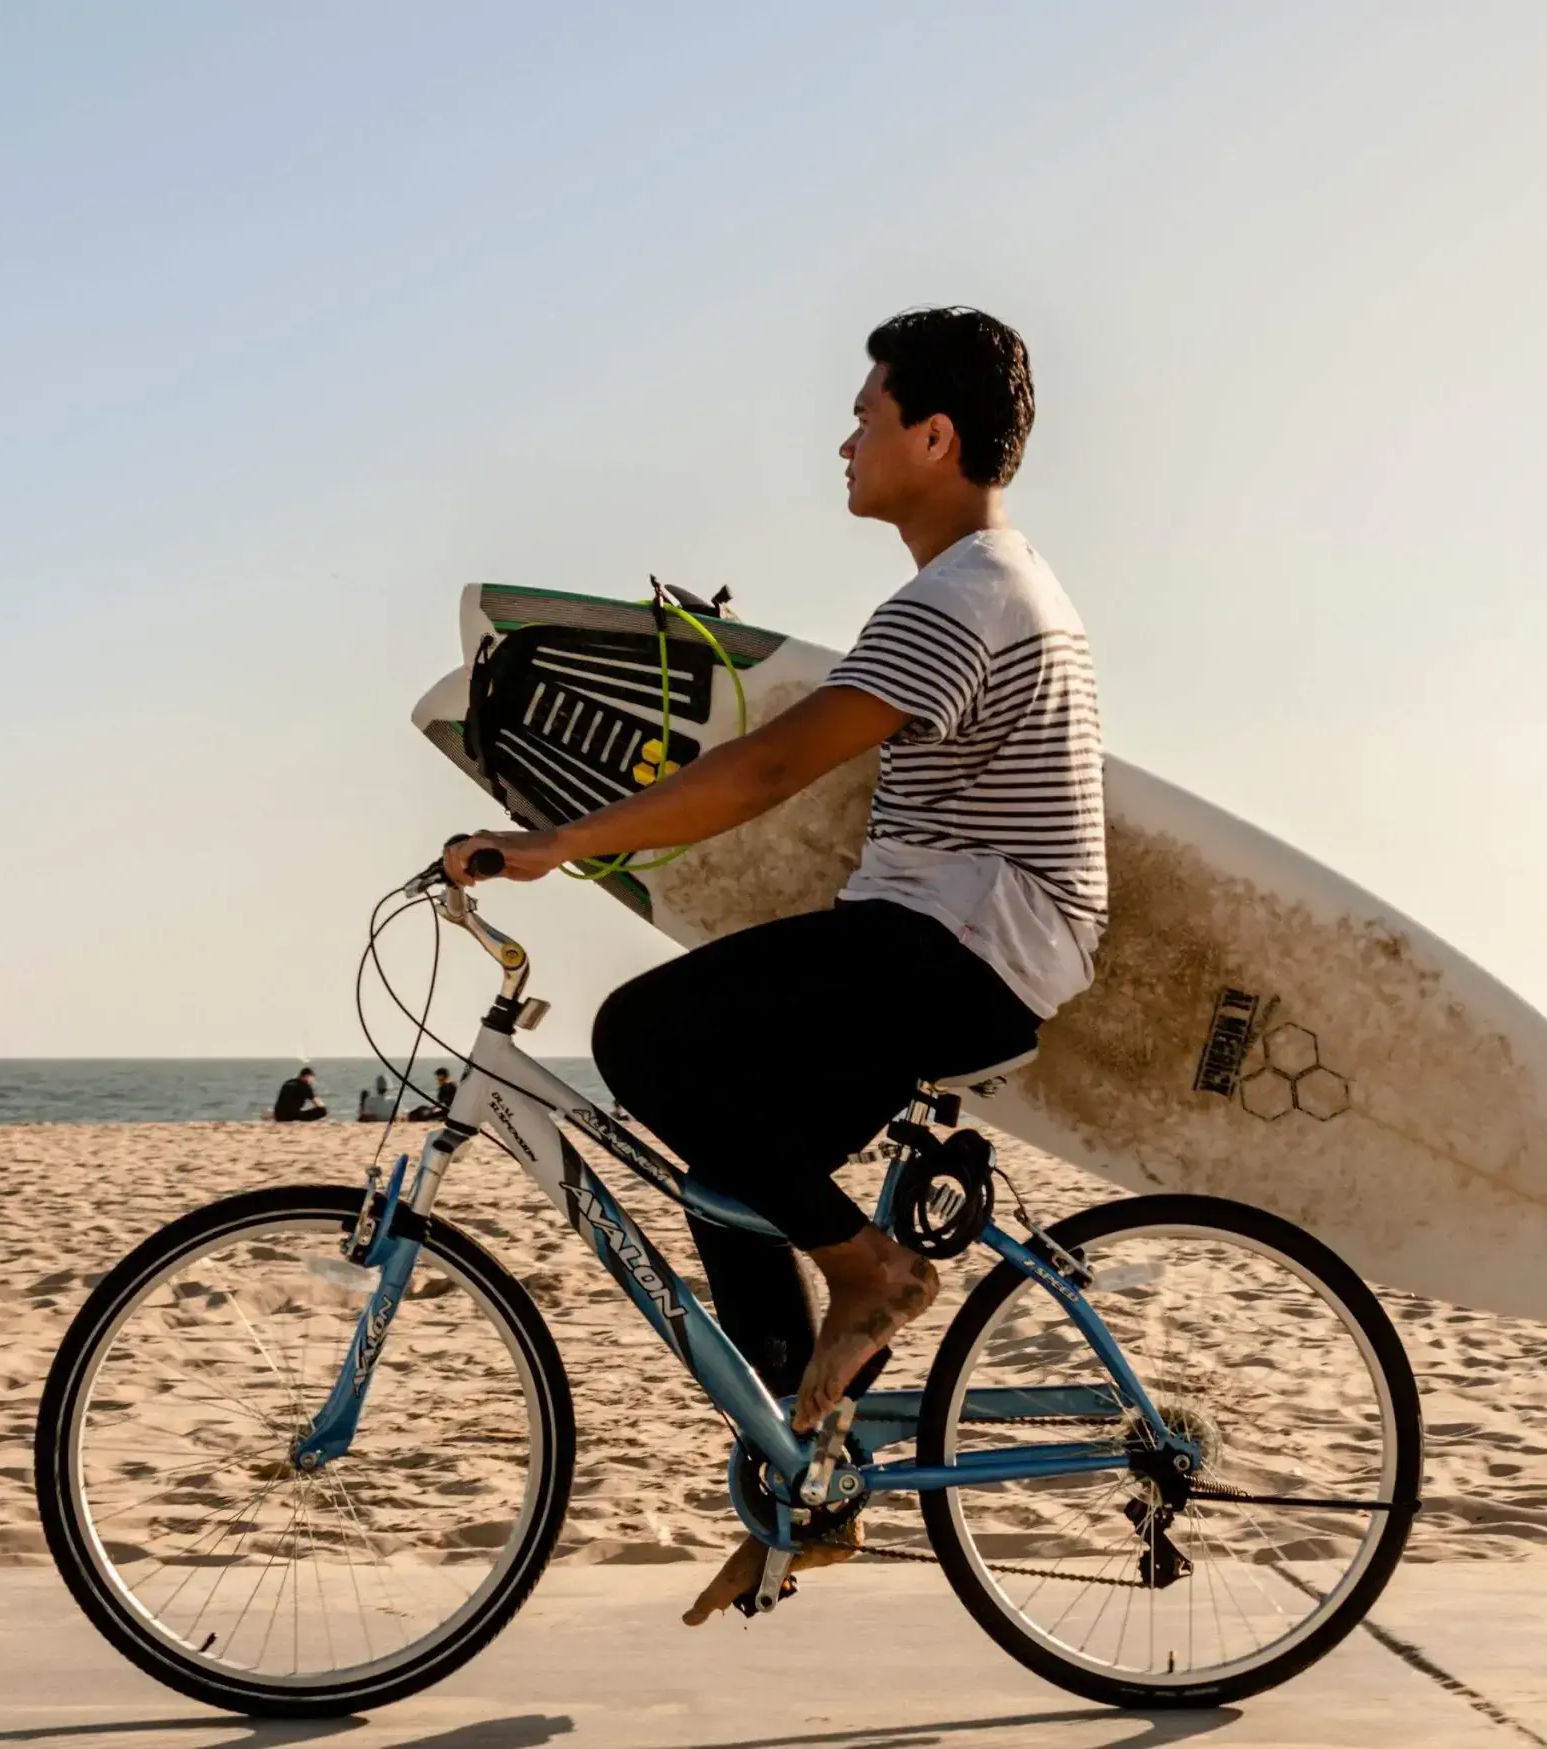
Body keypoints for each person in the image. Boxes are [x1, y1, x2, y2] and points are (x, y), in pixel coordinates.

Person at [447, 308, 1104, 1624]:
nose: (845, 439)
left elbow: (763, 770)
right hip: (961, 939)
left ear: (934, 434)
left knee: (643, 1037)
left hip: (966, 941)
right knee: (735, 1180)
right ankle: (813, 1483)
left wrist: (555, 846)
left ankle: (870, 1273)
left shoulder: (964, 598)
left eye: (866, 415)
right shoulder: (976, 586)